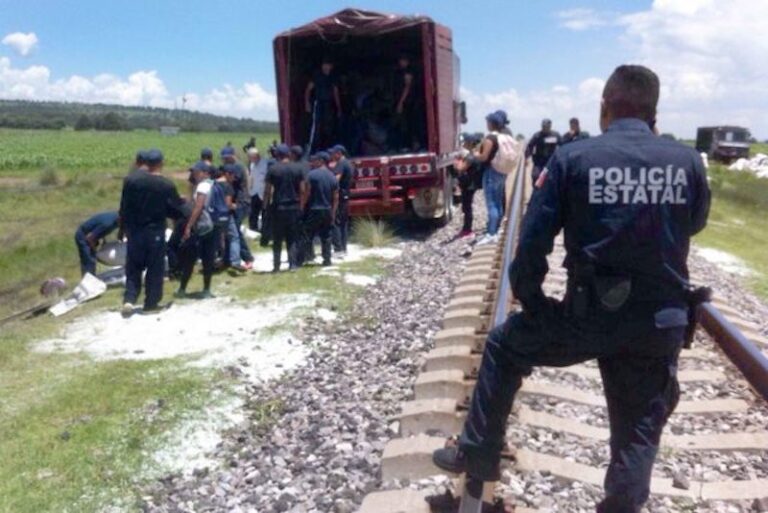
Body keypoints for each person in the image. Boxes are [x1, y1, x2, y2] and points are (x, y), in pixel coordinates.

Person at [432, 65, 711, 513]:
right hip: (658, 322)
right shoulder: (687, 161)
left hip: (589, 316)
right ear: (654, 114)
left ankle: (479, 452)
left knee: (505, 345)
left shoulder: (575, 158)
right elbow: (693, 223)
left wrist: (535, 299)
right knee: (637, 429)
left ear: (604, 107)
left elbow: (534, 241)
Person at [118, 149, 185, 316]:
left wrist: (122, 229)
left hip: (134, 231)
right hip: (154, 231)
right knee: (155, 268)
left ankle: (129, 299)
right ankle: (151, 303)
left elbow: (124, 208)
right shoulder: (165, 184)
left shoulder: (131, 180)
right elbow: (175, 209)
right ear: (160, 163)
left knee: (133, 267)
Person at [174, 161, 218, 299]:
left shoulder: (203, 186)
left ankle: (182, 289)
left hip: (201, 227)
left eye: (196, 171)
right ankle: (206, 289)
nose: (194, 174)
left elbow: (198, 207)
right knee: (208, 259)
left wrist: (188, 226)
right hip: (213, 225)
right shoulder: (213, 184)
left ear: (205, 173)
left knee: (190, 258)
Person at [264, 144, 306, 272]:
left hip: (278, 207)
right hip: (293, 206)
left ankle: (276, 267)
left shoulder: (273, 169)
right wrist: (301, 206)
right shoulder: (298, 169)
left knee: (277, 238)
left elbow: (268, 191)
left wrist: (265, 206)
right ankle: (292, 265)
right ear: (288, 154)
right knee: (292, 237)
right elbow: (303, 190)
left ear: (277, 155)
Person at [474, 111, 512, 245]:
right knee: (498, 201)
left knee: (492, 203)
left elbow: (483, 157)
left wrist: (474, 155)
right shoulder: (504, 136)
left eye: (487, 122)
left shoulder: (490, 138)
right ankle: (496, 229)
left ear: (491, 123)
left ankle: (491, 234)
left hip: (492, 172)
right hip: (502, 172)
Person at [300, 151, 339, 267]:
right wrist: (333, 212)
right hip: (327, 209)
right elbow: (336, 197)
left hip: (314, 209)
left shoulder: (312, 175)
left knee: (307, 234)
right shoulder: (332, 176)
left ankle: (307, 257)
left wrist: (302, 206)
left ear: (321, 161)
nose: (313, 162)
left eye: (316, 160)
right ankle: (327, 260)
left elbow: (307, 192)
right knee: (326, 236)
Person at [220, 146, 254, 270]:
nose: (224, 161)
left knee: (235, 232)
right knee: (231, 232)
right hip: (238, 202)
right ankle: (227, 259)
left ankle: (247, 258)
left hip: (240, 203)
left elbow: (231, 184)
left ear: (232, 156)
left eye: (226, 158)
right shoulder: (236, 166)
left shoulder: (237, 168)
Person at [304, 57, 342, 152]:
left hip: (329, 104)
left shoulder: (333, 77)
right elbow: (308, 90)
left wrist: (339, 108)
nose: (325, 67)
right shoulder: (317, 75)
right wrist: (307, 103)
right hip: (318, 103)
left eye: (327, 65)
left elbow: (335, 93)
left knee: (328, 127)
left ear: (331, 66)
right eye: (324, 64)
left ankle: (328, 148)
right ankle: (314, 150)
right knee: (316, 126)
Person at [454, 134, 484, 239]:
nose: (463, 144)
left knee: (467, 207)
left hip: (469, 185)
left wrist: (456, 160)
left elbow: (460, 168)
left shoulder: (470, 157)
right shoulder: (474, 155)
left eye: (465, 142)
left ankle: (467, 230)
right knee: (467, 207)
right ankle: (467, 229)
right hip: (471, 184)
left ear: (470, 143)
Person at [74, 211, 119, 276]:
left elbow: (103, 231)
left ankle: (92, 277)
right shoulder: (108, 223)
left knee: (92, 257)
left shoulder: (117, 220)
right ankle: (87, 279)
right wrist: (94, 249)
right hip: (83, 236)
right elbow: (89, 238)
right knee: (89, 258)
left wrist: (104, 242)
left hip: (92, 236)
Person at [391, 54, 421, 151]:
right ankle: (409, 144)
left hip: (409, 103)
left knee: (409, 124)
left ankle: (411, 145)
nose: (401, 63)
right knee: (406, 124)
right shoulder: (401, 72)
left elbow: (407, 87)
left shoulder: (408, 72)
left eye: (403, 60)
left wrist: (401, 103)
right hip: (407, 102)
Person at [328, 144, 353, 255]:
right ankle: (343, 247)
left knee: (336, 221)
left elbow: (336, 180)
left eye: (333, 153)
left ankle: (339, 249)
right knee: (343, 223)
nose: (332, 155)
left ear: (339, 153)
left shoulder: (341, 164)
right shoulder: (348, 163)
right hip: (346, 195)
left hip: (341, 196)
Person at [247, 147, 268, 232]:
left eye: (251, 157)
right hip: (254, 191)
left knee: (264, 212)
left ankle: (264, 229)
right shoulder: (252, 165)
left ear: (256, 156)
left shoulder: (265, 164)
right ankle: (253, 228)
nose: (250, 159)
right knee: (253, 212)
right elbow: (251, 177)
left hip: (263, 192)